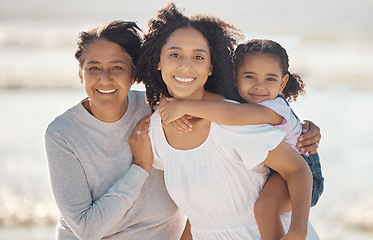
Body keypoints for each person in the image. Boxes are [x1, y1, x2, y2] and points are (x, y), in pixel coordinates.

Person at [137, 3, 320, 239]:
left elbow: (298, 168)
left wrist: (298, 230)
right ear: (157, 61)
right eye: (174, 54)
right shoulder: (155, 131)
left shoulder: (235, 121)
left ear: (211, 66)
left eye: (198, 56)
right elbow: (200, 217)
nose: (186, 64)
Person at [44, 21, 188, 240]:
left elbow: (202, 189)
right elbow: (87, 230)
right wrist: (140, 167)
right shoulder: (62, 135)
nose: (105, 78)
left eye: (117, 67)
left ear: (133, 74)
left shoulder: (159, 112)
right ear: (81, 74)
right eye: (94, 68)